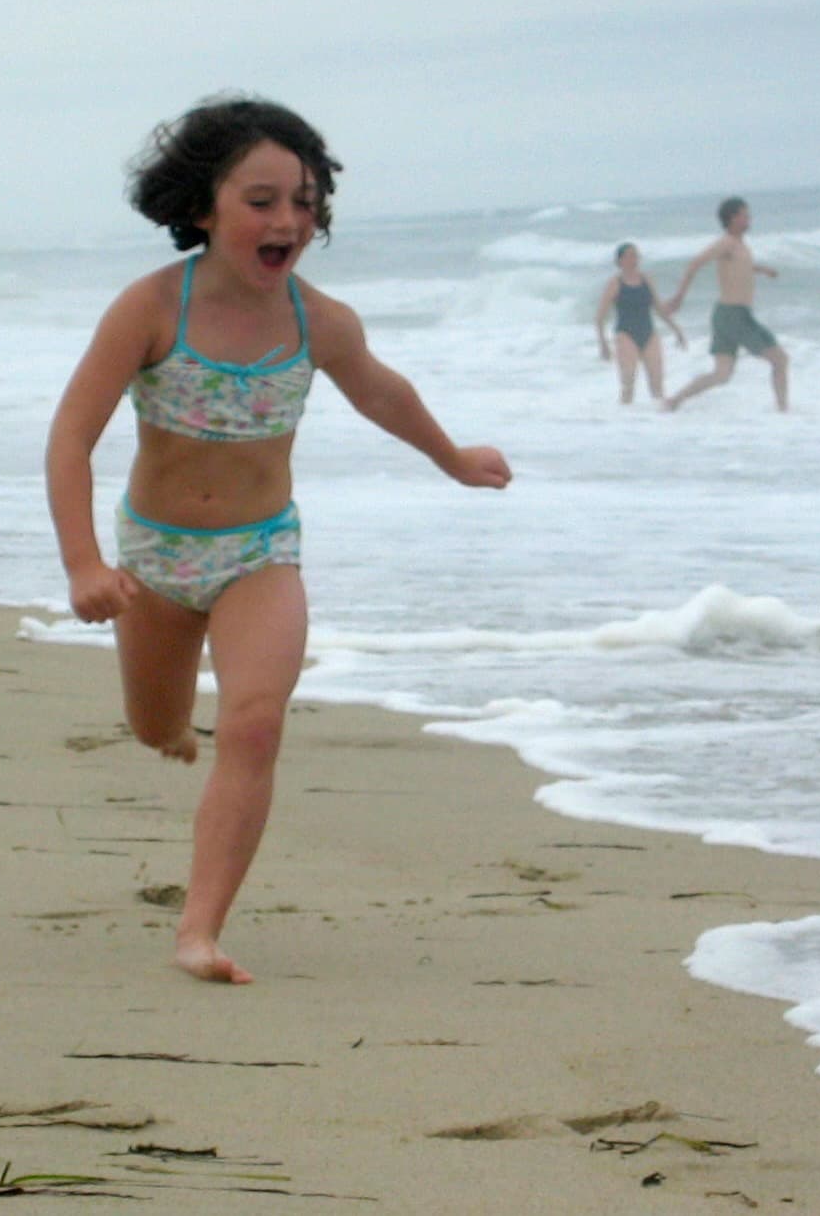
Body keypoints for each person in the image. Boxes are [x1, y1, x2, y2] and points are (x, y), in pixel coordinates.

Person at [45, 96, 511, 985]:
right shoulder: (149, 309)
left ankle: (198, 930)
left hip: (261, 551)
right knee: (155, 724)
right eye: (261, 200)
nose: (287, 220)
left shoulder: (316, 320)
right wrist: (83, 564)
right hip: (155, 558)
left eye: (302, 201)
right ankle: (170, 727)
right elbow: (71, 436)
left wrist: (451, 457)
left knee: (254, 726)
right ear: (200, 207)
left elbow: (381, 392)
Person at [661, 198, 789, 412]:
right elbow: (696, 263)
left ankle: (674, 401)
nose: (749, 219)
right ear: (733, 218)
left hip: (728, 315)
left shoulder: (739, 245)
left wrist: (761, 270)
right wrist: (679, 297)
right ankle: (783, 411)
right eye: (745, 215)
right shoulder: (726, 243)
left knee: (722, 375)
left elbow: (740, 267)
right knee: (780, 360)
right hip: (734, 316)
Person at [594, 242, 686, 404]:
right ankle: (623, 422)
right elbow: (600, 317)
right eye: (629, 256)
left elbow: (658, 308)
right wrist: (603, 344)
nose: (633, 259)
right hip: (625, 334)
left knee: (657, 386)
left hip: (649, 333)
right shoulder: (615, 283)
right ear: (620, 261)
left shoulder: (646, 279)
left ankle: (660, 423)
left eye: (635, 256)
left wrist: (677, 330)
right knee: (628, 382)